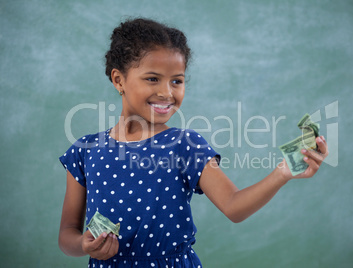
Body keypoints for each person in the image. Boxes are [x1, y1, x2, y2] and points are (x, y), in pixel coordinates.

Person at [58, 18, 328, 268]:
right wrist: (83, 244)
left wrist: (282, 173)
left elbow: (234, 206)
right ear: (119, 80)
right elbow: (67, 234)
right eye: (152, 79)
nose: (167, 92)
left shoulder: (185, 145)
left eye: (177, 81)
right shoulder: (86, 151)